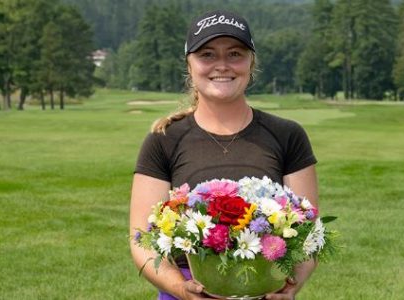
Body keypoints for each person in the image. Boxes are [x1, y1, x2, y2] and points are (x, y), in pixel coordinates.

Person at [130, 10, 319, 300]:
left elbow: (308, 234)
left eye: (234, 54)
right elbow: (141, 240)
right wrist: (181, 288)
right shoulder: (164, 140)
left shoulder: (287, 135)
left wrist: (290, 284)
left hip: (263, 289)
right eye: (207, 54)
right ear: (189, 64)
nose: (222, 65)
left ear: (251, 62)